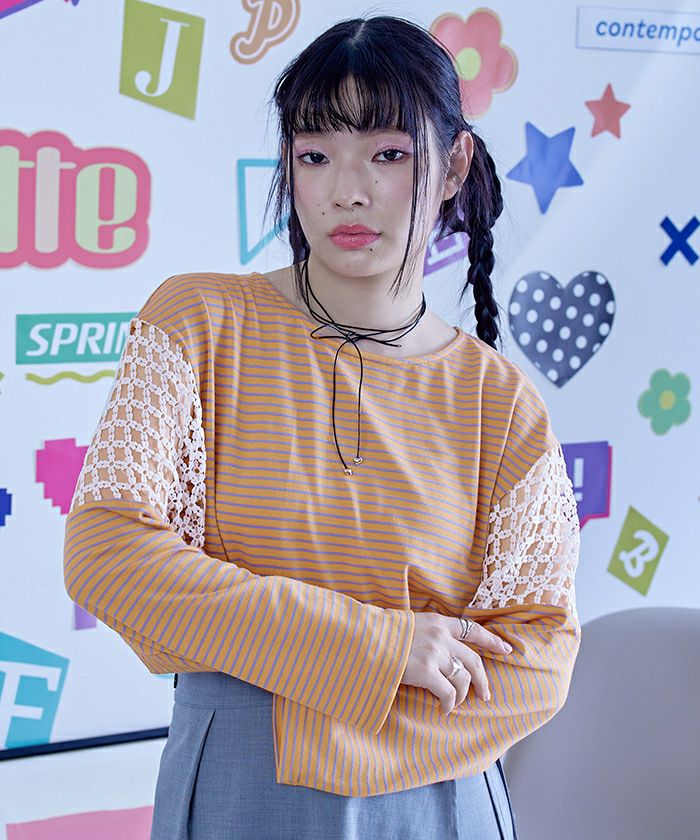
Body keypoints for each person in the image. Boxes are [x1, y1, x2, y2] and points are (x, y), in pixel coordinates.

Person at [63, 15, 581, 840]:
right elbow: (107, 556)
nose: (347, 190)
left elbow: (540, 660)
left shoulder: (500, 399)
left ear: (453, 165)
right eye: (315, 156)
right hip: (241, 784)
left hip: (438, 800)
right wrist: (378, 651)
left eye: (388, 154)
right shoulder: (197, 322)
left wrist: (320, 725)